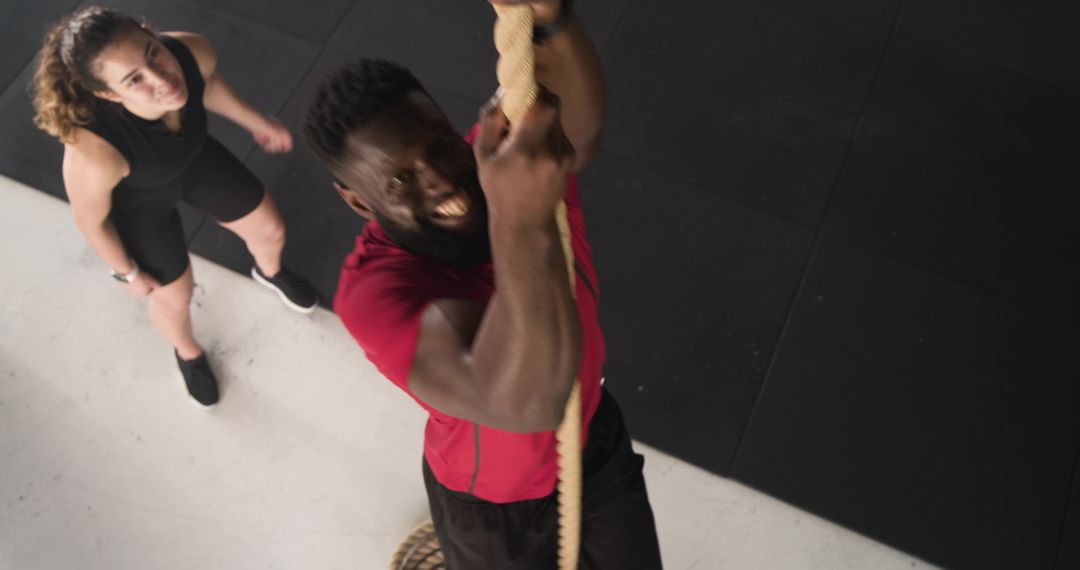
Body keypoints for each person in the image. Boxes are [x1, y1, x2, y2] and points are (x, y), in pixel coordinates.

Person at [302, 0, 662, 567]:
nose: (444, 179)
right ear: (357, 201)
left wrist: (551, 19)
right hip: (496, 508)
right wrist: (519, 217)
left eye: (442, 143)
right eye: (401, 179)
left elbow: (579, 132)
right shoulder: (375, 295)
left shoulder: (504, 168)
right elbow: (526, 401)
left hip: (594, 441)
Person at [31, 6, 318, 408]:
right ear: (108, 94)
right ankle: (188, 353)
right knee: (173, 298)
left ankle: (271, 273)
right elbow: (90, 221)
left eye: (152, 53)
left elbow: (207, 84)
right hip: (141, 204)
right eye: (134, 80)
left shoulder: (189, 51)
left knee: (271, 229)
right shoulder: (94, 150)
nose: (162, 79)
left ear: (153, 34)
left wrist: (255, 122)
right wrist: (126, 273)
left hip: (193, 157)